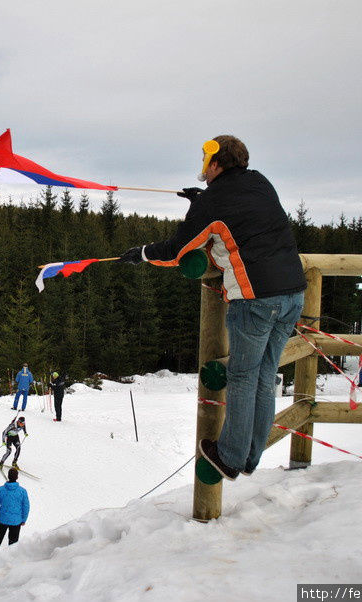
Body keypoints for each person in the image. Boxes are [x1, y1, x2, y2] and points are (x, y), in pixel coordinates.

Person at [119, 135, 306, 481]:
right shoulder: (259, 182)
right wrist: (201, 204)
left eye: (207, 159)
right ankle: (250, 456)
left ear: (215, 163)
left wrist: (144, 252)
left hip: (255, 300)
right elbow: (240, 215)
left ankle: (232, 457)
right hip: (293, 294)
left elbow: (179, 248)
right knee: (265, 378)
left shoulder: (215, 200)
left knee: (243, 376)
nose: (204, 165)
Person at [0, 468, 30, 550]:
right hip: (16, 521)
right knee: (13, 544)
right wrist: (23, 519)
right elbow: (26, 506)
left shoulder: (0, 490)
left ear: (8, 476)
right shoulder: (22, 491)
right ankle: (11, 560)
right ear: (17, 477)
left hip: (2, 519)